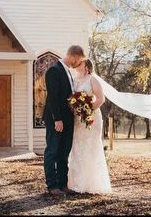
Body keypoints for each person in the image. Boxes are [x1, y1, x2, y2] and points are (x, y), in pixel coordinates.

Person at [43, 45, 86, 196]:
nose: (78, 63)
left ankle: (63, 184)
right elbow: (52, 97)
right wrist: (58, 119)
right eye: (79, 60)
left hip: (68, 120)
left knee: (64, 152)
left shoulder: (68, 71)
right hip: (57, 120)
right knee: (52, 151)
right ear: (74, 56)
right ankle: (52, 186)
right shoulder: (54, 70)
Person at [67, 59, 112, 194]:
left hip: (91, 118)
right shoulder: (74, 79)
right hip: (77, 120)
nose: (76, 66)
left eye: (79, 64)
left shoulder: (93, 79)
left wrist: (87, 111)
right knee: (77, 147)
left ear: (86, 66)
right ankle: (76, 183)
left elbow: (101, 99)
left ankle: (92, 183)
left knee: (91, 147)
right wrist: (77, 110)